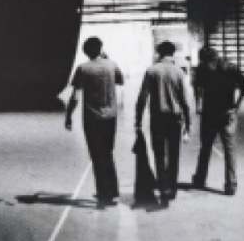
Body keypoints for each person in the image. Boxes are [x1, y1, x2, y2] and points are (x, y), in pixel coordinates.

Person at [65, 37, 124, 205]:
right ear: (100, 49)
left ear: (85, 51)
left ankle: (103, 193)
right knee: (108, 152)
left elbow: (75, 96)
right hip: (110, 116)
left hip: (92, 118)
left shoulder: (82, 69)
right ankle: (113, 190)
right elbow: (120, 81)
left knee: (97, 156)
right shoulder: (112, 65)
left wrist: (68, 115)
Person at [135, 40, 191, 207]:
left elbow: (142, 97)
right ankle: (172, 189)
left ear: (159, 53)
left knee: (159, 154)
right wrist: (188, 124)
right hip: (175, 118)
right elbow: (184, 101)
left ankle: (163, 187)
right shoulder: (179, 72)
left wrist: (138, 120)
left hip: (158, 118)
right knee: (174, 154)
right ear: (173, 53)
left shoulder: (151, 71)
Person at [192, 47, 244, 196]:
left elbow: (197, 88)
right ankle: (230, 184)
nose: (204, 64)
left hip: (216, 114)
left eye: (204, 62)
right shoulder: (229, 68)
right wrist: (237, 106)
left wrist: (236, 106)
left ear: (209, 60)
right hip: (221, 114)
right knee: (225, 149)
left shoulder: (207, 69)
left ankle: (201, 180)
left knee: (209, 148)